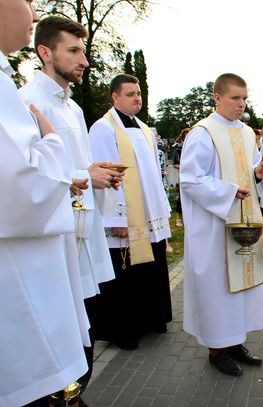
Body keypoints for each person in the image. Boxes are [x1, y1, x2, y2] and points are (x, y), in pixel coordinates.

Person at [19, 15, 123, 394]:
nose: (84, 60)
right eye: (74, 51)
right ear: (46, 52)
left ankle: (75, 393)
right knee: (61, 327)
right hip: (56, 235)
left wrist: (97, 173)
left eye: (85, 51)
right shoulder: (27, 102)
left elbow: (74, 164)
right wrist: (84, 176)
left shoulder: (74, 108)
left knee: (86, 324)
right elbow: (28, 175)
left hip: (84, 233)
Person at [0, 1, 90, 405]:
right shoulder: (23, 93)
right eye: (27, 2)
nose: (33, 14)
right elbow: (25, 184)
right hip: (25, 259)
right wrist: (53, 144)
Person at [180, 73, 263, 377]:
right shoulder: (203, 133)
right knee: (218, 288)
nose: (242, 104)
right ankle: (216, 349)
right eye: (235, 98)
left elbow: (247, 169)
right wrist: (229, 191)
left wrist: (259, 171)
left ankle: (235, 341)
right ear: (217, 98)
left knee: (241, 286)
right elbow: (191, 179)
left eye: (245, 98)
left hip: (244, 221)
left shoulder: (248, 133)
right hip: (214, 226)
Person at [88, 74, 173, 350]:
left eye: (139, 93)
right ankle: (126, 330)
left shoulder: (145, 129)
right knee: (125, 275)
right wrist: (117, 218)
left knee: (150, 268)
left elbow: (152, 176)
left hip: (149, 214)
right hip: (126, 218)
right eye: (130, 94)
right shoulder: (103, 128)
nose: (137, 97)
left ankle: (151, 320)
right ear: (115, 97)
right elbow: (107, 175)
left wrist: (163, 208)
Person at [173, 127, 189, 227]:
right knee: (181, 198)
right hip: (183, 176)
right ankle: (179, 218)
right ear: (183, 137)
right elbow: (175, 164)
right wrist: (184, 167)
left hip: (194, 176)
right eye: (186, 135)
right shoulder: (179, 149)